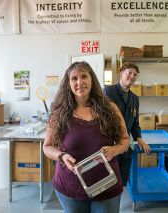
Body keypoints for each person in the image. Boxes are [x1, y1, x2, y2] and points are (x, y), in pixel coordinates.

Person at [43, 61, 129, 213]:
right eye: (74, 78)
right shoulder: (59, 113)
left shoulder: (110, 109)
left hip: (106, 185)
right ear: (68, 83)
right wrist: (62, 156)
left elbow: (125, 140)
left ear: (92, 80)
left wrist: (114, 151)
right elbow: (47, 147)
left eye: (84, 76)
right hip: (71, 187)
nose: (79, 82)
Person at [103, 62, 151, 186]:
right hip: (110, 145)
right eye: (129, 73)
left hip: (127, 146)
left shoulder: (135, 98)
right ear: (121, 73)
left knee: (122, 181)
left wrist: (139, 138)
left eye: (135, 75)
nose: (132, 77)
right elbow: (103, 118)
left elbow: (135, 122)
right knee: (108, 182)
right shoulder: (109, 91)